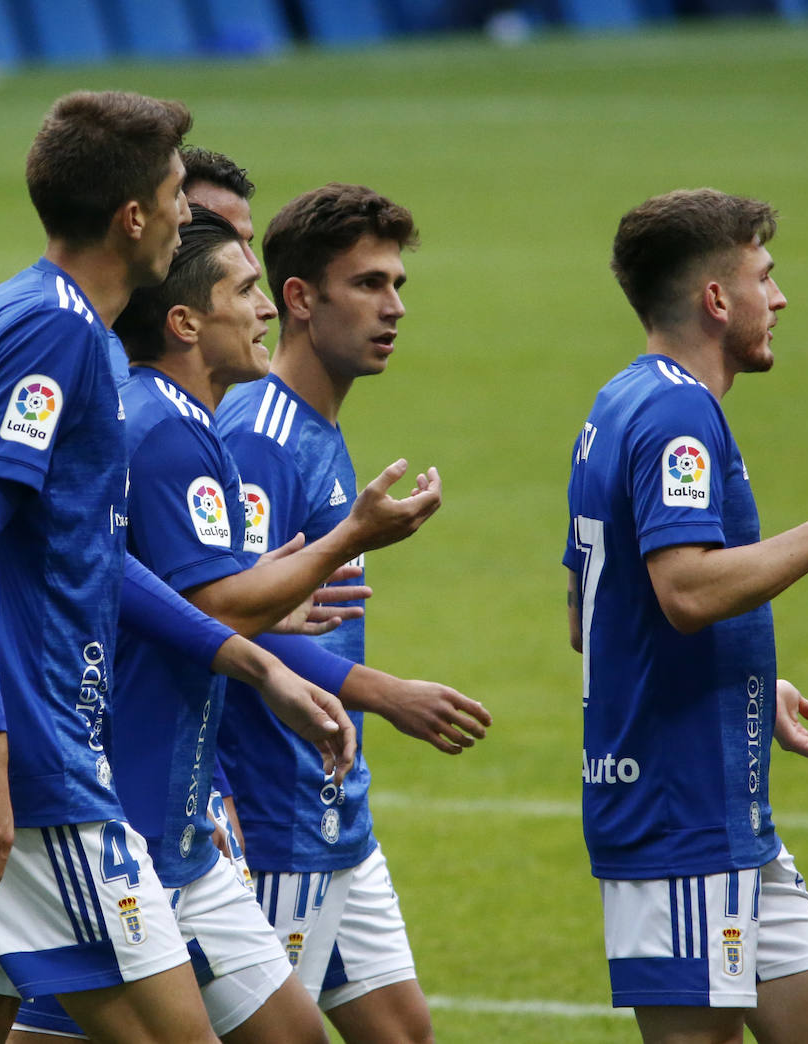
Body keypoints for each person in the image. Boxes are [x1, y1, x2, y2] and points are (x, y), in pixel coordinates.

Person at [0, 91, 353, 1044]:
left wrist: (252, 661)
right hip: (30, 767)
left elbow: (81, 550)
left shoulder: (8, 311)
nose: (190, 214)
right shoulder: (59, 332)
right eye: (180, 194)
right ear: (133, 215)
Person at [564, 188, 808, 1044]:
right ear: (716, 299)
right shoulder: (676, 416)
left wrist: (743, 679)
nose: (778, 299)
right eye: (764, 278)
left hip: (727, 812)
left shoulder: (621, 400)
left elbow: (589, 610)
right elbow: (686, 591)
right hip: (678, 817)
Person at [212, 181, 492, 1043]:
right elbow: (227, 619)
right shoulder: (261, 436)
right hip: (275, 806)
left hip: (334, 806)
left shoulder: (316, 428)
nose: (395, 307)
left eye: (398, 284)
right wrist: (385, 692)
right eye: (369, 285)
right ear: (299, 299)